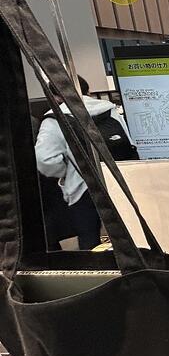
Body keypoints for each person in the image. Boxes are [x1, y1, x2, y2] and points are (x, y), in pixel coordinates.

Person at [35, 75, 135, 250]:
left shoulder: (55, 119)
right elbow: (129, 142)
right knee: (130, 232)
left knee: (89, 236)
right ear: (87, 90)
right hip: (121, 179)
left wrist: (65, 173)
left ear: (56, 97)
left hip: (83, 187)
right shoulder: (109, 109)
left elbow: (45, 160)